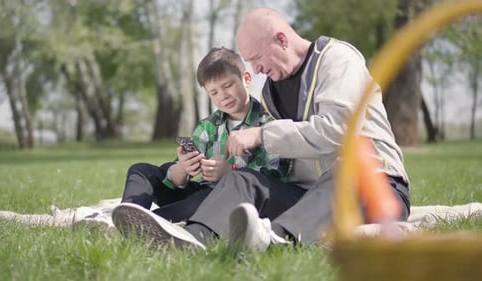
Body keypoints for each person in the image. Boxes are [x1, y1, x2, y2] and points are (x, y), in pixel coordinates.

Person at [112, 7, 410, 252]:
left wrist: (261, 135)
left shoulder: (338, 60)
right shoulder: (271, 90)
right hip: (307, 195)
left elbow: (337, 132)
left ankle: (275, 241)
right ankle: (192, 239)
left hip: (373, 184)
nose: (254, 71)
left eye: (256, 58)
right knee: (242, 181)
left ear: (281, 40)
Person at [112, 47, 292, 247]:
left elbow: (276, 177)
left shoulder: (267, 124)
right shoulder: (208, 126)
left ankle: (149, 224)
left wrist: (229, 172)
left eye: (228, 85)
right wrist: (183, 168)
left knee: (205, 197)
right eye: (214, 92)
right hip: (198, 193)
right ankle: (129, 215)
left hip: (230, 202)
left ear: (246, 79)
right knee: (141, 170)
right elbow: (176, 180)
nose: (223, 96)